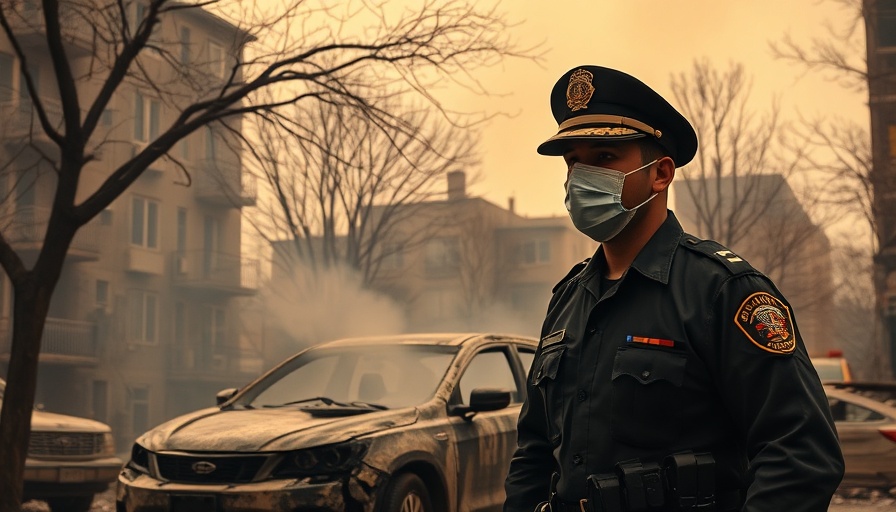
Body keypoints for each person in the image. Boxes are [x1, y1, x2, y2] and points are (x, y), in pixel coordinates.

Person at [503, 65, 844, 512]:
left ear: (660, 173)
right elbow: (533, 454)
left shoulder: (724, 291)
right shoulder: (567, 301)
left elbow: (801, 453)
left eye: (604, 158)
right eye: (573, 163)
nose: (580, 178)